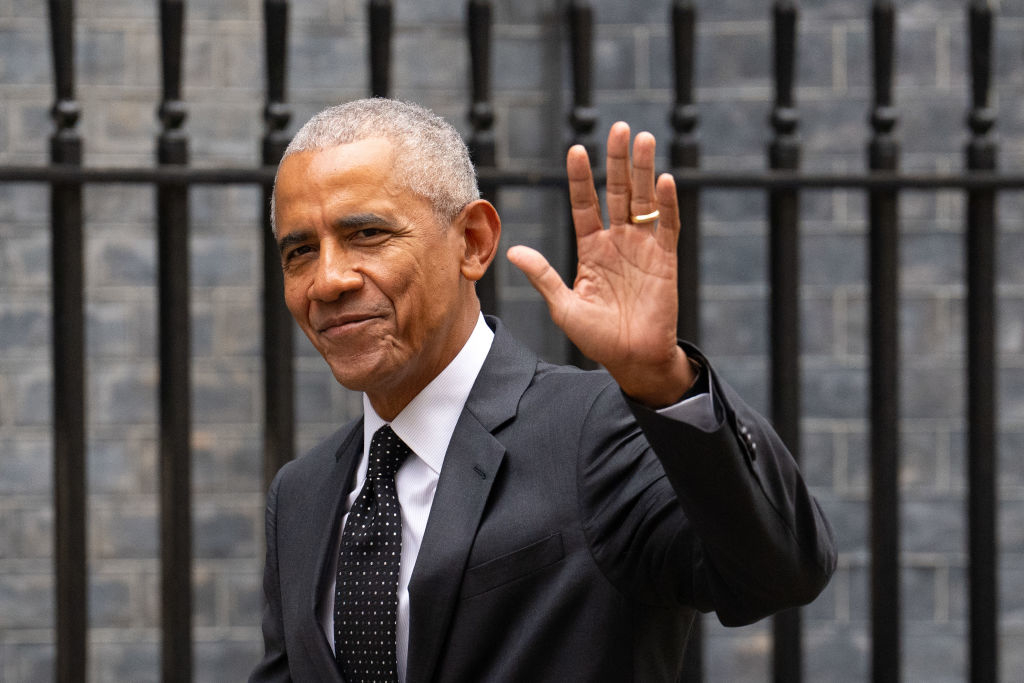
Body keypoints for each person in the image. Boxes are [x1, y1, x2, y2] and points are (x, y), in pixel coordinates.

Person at [250, 98, 835, 683]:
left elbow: (779, 573)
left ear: (474, 242)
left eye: (367, 235)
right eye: (300, 251)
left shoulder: (597, 432)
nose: (327, 280)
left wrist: (662, 380)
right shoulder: (301, 494)